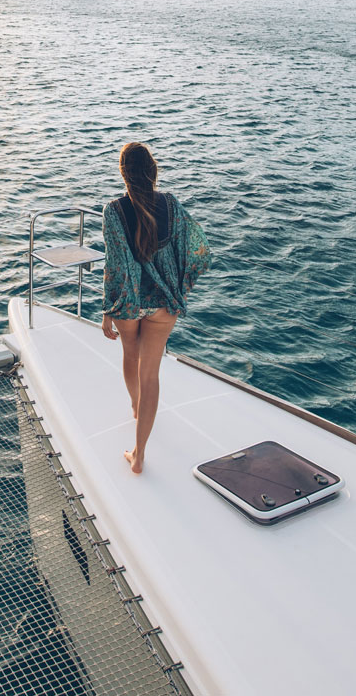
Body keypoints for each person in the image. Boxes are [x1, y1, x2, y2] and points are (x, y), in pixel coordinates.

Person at [100, 142, 212, 474]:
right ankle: (140, 453)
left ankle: (136, 407)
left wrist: (109, 310)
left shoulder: (113, 211)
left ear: (123, 173)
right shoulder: (172, 205)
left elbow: (116, 267)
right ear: (153, 171)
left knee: (128, 354)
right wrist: (180, 285)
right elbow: (198, 248)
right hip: (165, 304)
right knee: (151, 375)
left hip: (130, 304)